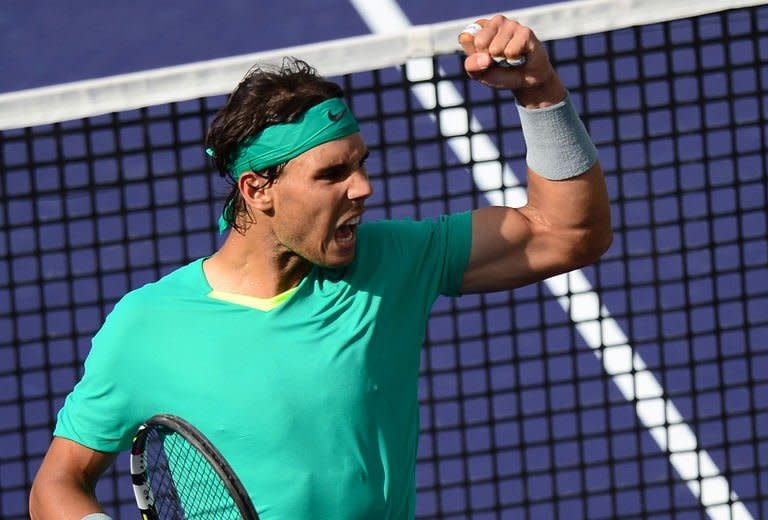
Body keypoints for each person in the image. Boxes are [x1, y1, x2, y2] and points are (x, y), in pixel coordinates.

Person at [29, 15, 612, 520]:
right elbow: (58, 484)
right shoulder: (146, 327)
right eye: (332, 174)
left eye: (360, 164)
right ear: (258, 189)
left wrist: (540, 92)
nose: (363, 187)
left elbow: (567, 234)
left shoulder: (389, 264)